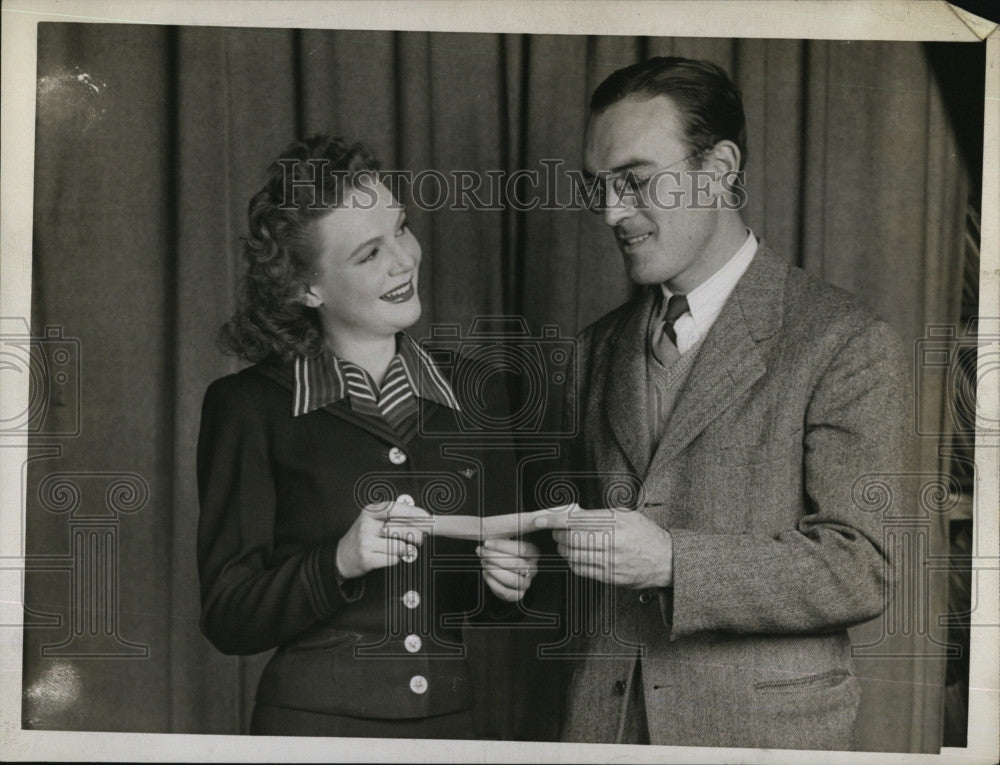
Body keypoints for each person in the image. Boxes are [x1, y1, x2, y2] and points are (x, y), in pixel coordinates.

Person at [530, 57, 909, 749]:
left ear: (722, 166)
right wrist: (528, 568)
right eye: (600, 188)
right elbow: (592, 557)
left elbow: (862, 566)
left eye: (637, 181)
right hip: (600, 730)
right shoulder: (594, 350)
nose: (612, 212)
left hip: (763, 738)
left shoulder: (844, 338)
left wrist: (676, 561)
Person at [196, 135, 538, 738]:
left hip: (450, 729)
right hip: (311, 731)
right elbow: (229, 617)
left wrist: (511, 579)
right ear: (308, 289)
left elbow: (476, 596)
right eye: (368, 253)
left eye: (402, 229)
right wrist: (338, 562)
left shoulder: (479, 395)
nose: (404, 260)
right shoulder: (247, 406)